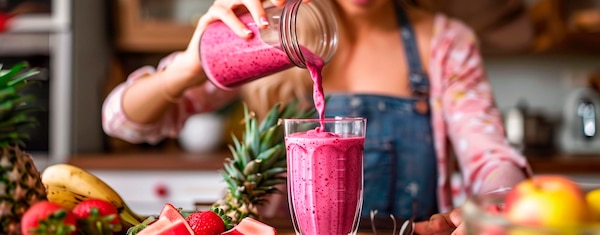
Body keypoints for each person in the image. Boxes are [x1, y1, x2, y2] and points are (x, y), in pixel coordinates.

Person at [102, 0, 533, 233]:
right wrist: (188, 69)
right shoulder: (270, 34)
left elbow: (489, 154)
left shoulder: (443, 43)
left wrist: (495, 205)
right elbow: (121, 120)